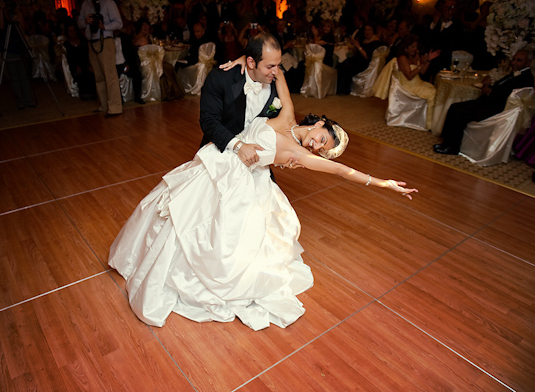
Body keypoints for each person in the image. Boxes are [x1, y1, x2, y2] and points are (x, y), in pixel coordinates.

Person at [108, 63, 418, 330]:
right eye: (321, 138)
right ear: (320, 123)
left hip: (242, 183)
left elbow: (342, 172)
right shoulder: (285, 116)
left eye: (322, 148)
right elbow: (276, 70)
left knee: (219, 236)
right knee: (182, 213)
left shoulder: (302, 155)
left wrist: (383, 183)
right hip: (221, 161)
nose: (316, 146)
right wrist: (244, 59)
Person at [200, 32, 281, 168]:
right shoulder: (220, 79)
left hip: (256, 162)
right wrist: (238, 146)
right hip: (219, 152)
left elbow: (282, 123)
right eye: (270, 66)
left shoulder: (277, 84)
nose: (276, 72)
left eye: (278, 65)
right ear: (250, 62)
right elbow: (209, 121)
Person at [433, 49, 534, 155]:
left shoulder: (525, 78)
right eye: (513, 59)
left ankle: (453, 147)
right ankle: (447, 142)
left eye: (519, 60)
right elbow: (501, 88)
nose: (514, 62)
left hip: (496, 108)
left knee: (460, 112)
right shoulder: (516, 74)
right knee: (454, 106)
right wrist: (489, 85)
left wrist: (488, 91)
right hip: (489, 103)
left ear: (528, 63)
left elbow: (506, 97)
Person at [374, 35, 439, 128]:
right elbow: (409, 76)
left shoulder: (414, 56)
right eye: (412, 46)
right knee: (431, 94)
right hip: (408, 86)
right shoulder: (402, 58)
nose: (415, 49)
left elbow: (422, 71)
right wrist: (422, 64)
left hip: (418, 82)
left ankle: (431, 121)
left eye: (416, 46)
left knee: (434, 90)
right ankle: (428, 124)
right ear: (406, 47)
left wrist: (428, 61)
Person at [77, 0, 123, 117]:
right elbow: (79, 23)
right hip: (91, 42)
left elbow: (119, 23)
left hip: (106, 41)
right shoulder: (86, 4)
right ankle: (104, 105)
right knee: (98, 75)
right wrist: (85, 21)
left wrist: (104, 26)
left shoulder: (108, 3)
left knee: (110, 75)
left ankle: (115, 107)